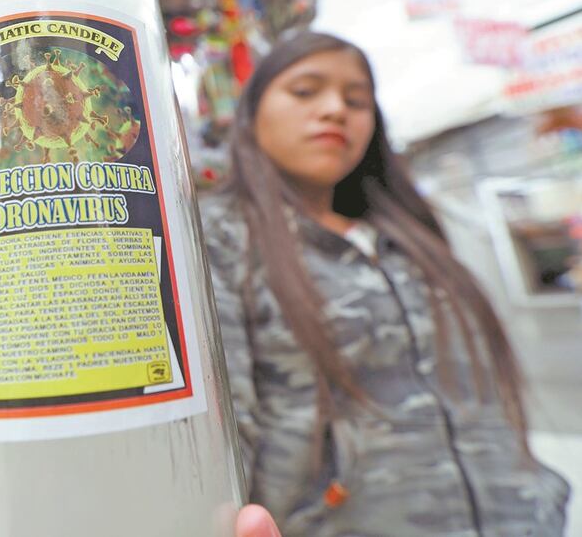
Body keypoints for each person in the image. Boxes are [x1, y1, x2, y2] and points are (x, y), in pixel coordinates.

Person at [200, 32, 570, 536]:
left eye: (356, 99)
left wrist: (541, 493)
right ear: (250, 114)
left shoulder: (415, 236)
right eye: (306, 91)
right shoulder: (220, 240)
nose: (335, 109)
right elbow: (224, 439)